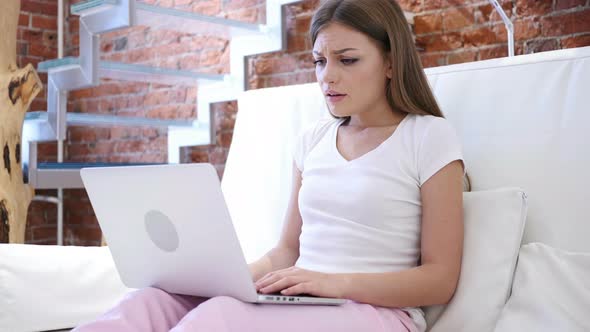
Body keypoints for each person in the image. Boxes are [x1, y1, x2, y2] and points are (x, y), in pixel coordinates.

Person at [73, 0, 466, 331]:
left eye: (347, 60)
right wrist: (234, 279)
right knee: (147, 303)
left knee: (218, 318)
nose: (328, 76)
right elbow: (287, 250)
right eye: (319, 61)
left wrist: (335, 284)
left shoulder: (428, 136)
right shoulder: (312, 140)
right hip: (305, 300)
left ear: (391, 63)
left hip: (379, 314)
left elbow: (439, 280)